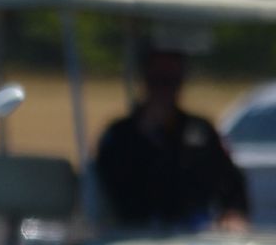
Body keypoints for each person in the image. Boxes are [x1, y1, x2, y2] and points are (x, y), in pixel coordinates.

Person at [95, 48, 249, 231]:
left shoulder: (200, 130)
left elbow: (231, 182)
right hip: (133, 232)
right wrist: (148, 137)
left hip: (193, 233)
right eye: (157, 80)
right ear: (146, 80)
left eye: (170, 81)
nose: (163, 89)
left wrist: (233, 213)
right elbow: (107, 188)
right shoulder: (120, 134)